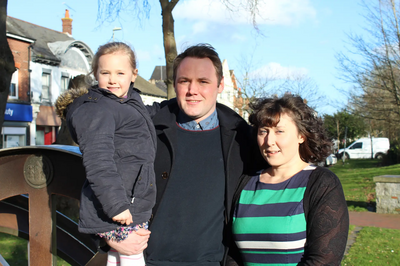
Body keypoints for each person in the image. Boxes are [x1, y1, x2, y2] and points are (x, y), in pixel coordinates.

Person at [107, 44, 258, 265]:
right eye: (184, 81)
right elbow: (101, 178)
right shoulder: (146, 131)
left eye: (203, 82)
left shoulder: (242, 140)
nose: (192, 90)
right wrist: (108, 235)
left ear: (220, 85)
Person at [55, 42, 157, 266]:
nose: (113, 79)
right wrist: (116, 205)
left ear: (133, 75)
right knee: (133, 255)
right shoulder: (96, 110)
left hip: (131, 201)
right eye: (105, 73)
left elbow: (142, 116)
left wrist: (167, 108)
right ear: (95, 74)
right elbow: (98, 160)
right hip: (118, 205)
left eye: (120, 73)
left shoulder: (126, 103)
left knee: (118, 257)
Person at [232, 94, 349, 265]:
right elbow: (231, 253)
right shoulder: (245, 183)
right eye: (263, 131)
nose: (269, 141)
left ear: (301, 135)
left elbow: (324, 260)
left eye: (279, 131)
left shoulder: (322, 184)